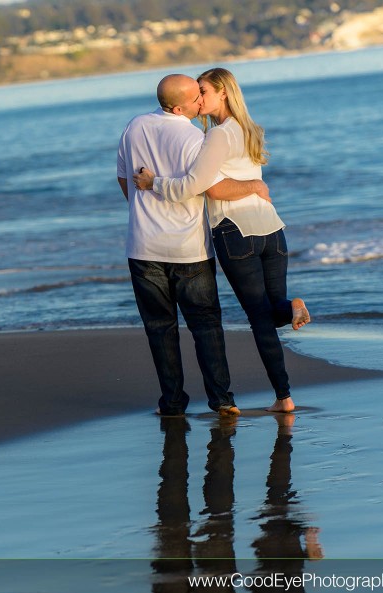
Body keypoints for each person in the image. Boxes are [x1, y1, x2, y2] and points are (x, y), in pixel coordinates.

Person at [133, 68, 310, 413]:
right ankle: (292, 311)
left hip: (234, 232)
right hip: (272, 230)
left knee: (260, 319)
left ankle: (285, 398)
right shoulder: (250, 130)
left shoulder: (216, 137)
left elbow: (196, 187)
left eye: (203, 91)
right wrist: (254, 187)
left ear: (223, 94)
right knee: (272, 313)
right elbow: (245, 181)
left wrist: (153, 182)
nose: (199, 99)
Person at [116, 74, 268, 417]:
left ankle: (172, 403)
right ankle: (222, 400)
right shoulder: (194, 137)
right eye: (196, 97)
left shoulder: (133, 127)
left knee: (160, 329)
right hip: (189, 248)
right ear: (179, 106)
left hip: (142, 246)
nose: (202, 101)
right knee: (206, 326)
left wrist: (141, 212)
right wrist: (254, 187)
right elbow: (212, 188)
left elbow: (124, 178)